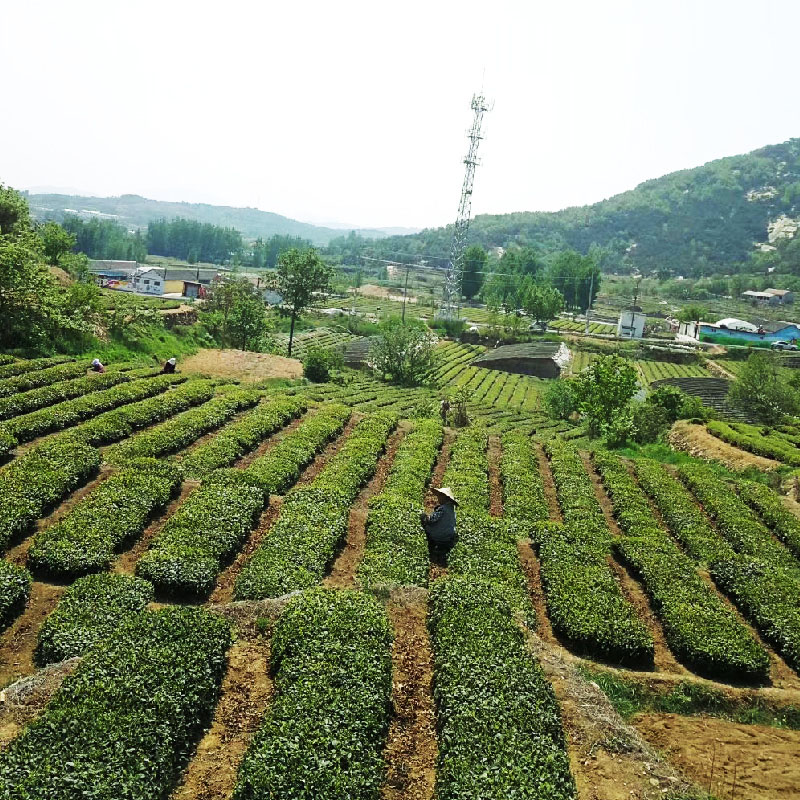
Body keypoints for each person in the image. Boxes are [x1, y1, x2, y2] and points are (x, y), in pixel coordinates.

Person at [420, 487, 458, 564]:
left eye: (440, 496)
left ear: (445, 498)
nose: (438, 498)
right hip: (449, 534)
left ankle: (432, 545)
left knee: (425, 524)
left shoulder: (442, 509)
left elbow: (431, 520)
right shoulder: (451, 507)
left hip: (440, 535)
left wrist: (425, 517)